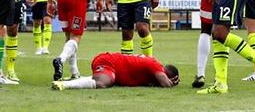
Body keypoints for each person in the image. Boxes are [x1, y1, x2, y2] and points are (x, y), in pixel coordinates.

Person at [51, 52, 179, 90]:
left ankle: (73, 80)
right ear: (165, 73)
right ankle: (64, 85)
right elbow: (165, 84)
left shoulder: (153, 67)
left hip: (111, 64)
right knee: (104, 82)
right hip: (107, 61)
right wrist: (171, 82)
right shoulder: (156, 65)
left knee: (103, 79)